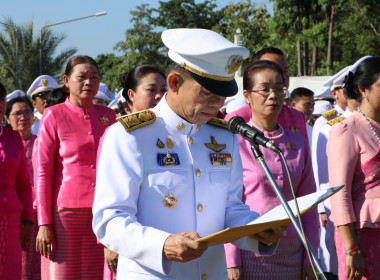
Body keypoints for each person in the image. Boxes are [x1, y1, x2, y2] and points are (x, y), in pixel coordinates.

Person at [93, 28, 285, 280]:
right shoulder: (129, 135)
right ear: (174, 82)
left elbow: (230, 206)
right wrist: (161, 244)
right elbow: (109, 219)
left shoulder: (224, 137)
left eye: (222, 95)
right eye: (207, 93)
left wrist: (256, 230)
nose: (217, 104)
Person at [224, 60, 318, 280]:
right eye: (265, 89)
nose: (273, 95)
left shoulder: (298, 142)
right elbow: (228, 205)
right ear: (247, 96)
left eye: (278, 89)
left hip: (293, 251)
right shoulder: (234, 142)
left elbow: (309, 205)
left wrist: (310, 257)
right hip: (251, 250)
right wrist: (232, 260)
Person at [34, 55, 117, 280]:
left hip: (101, 213)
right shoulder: (53, 115)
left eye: (94, 77)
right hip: (64, 215)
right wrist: (45, 223)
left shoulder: (109, 117)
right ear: (66, 81)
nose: (89, 82)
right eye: (82, 77)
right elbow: (42, 172)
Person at [312, 57, 371, 278]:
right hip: (334, 202)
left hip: (366, 214)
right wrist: (321, 207)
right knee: (334, 257)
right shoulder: (331, 123)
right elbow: (321, 170)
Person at [327, 56, 380, 280]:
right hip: (361, 237)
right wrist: (352, 248)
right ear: (363, 89)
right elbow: (339, 194)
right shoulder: (347, 130)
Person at [225, 47, 308, 140]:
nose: (280, 76)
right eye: (271, 69)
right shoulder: (236, 120)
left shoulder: (297, 117)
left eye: (284, 71)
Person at [0, 82, 34, 280]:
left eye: (2, 99)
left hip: (11, 218)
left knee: (10, 269)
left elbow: (23, 183)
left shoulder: (13, 138)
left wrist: (28, 219)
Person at [5, 96, 40, 280]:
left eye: (27, 112)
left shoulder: (42, 143)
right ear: (8, 118)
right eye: (17, 113)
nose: (23, 117)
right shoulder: (7, 145)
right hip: (14, 212)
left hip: (39, 213)